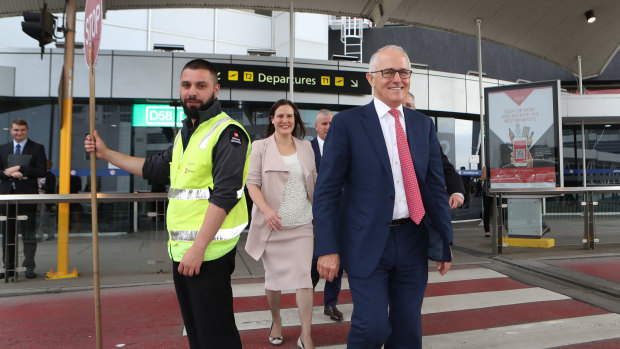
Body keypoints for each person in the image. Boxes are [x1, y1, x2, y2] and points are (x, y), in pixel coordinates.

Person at [85, 59, 250, 349]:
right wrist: (106, 153)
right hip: (182, 252)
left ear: (216, 89)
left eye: (201, 85)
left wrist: (198, 249)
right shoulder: (186, 134)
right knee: (198, 336)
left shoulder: (229, 133)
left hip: (207, 253)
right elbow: (153, 168)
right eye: (186, 85)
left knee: (217, 337)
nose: (192, 92)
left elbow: (225, 195)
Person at [313, 45, 453, 348]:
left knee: (407, 332)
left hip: (413, 239)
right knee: (372, 327)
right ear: (371, 78)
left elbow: (434, 187)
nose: (397, 79)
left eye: (403, 72)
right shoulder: (348, 124)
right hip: (366, 242)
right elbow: (326, 191)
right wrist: (326, 247)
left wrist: (444, 242)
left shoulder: (422, 125)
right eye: (388, 72)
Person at [245, 99, 316, 349]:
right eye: (280, 116)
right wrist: (266, 211)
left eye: (290, 116)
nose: (285, 120)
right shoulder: (260, 147)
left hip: (303, 225)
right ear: (272, 119)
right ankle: (276, 320)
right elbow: (251, 183)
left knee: (304, 278)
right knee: (273, 280)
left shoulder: (306, 147)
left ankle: (306, 334)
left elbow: (315, 183)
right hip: (272, 226)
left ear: (295, 120)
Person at [0, 118, 47, 280]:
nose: (19, 133)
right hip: (7, 196)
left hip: (27, 195)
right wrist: (9, 172)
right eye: (16, 130)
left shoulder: (37, 148)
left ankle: (29, 268)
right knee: (7, 234)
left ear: (27, 130)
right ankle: (9, 268)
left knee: (28, 233)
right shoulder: (3, 148)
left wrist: (20, 168)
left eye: (22, 130)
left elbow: (41, 171)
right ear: (11, 131)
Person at [309, 109, 344, 322]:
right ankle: (306, 299)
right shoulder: (306, 149)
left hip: (339, 215)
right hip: (312, 217)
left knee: (337, 262)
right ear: (316, 126)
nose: (328, 127)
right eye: (324, 123)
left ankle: (330, 303)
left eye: (331, 123)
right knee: (313, 261)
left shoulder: (342, 148)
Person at [403, 92, 465, 209]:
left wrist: (457, 192)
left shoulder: (424, 136)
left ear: (415, 109)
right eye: (402, 106)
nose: (406, 110)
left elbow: (444, 166)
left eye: (409, 106)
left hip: (421, 210)